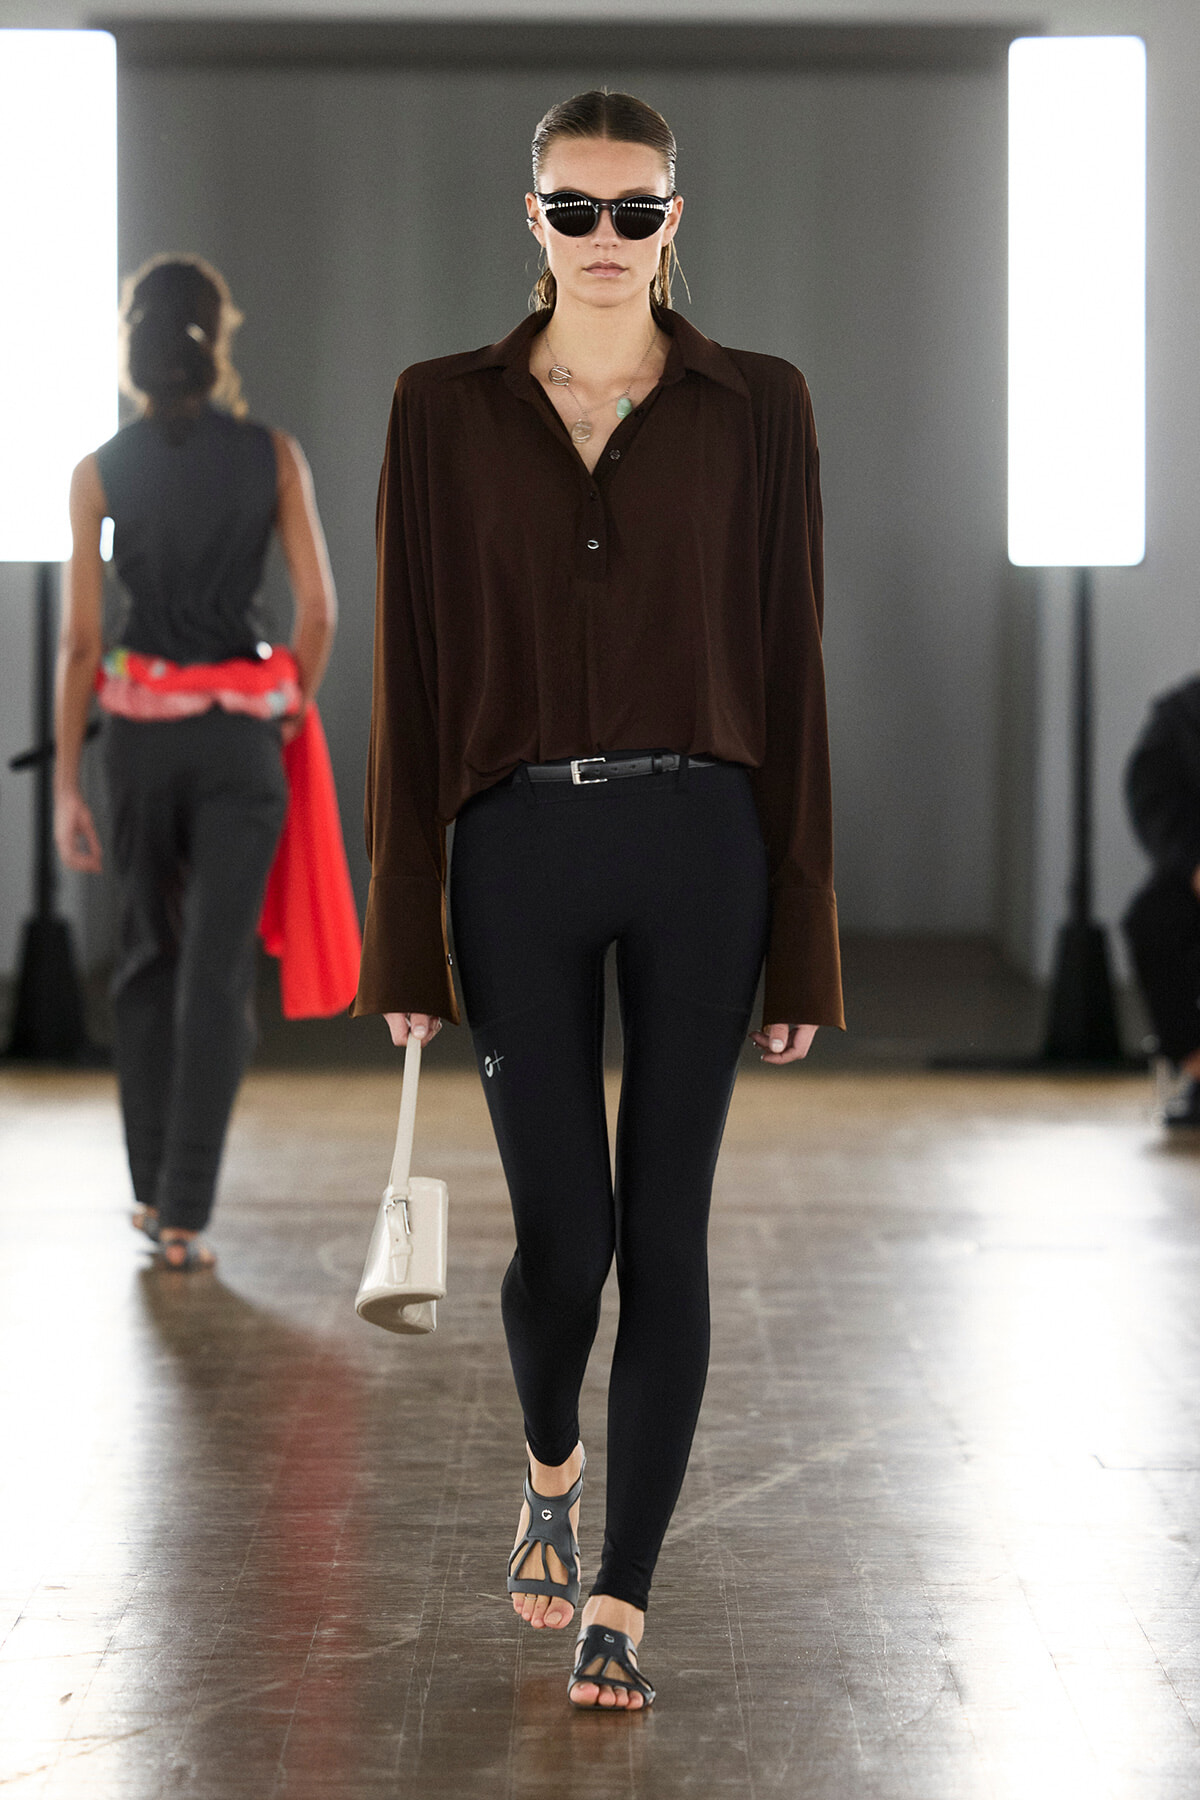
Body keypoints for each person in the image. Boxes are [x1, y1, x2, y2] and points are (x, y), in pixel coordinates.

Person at [353, 91, 843, 1709]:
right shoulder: (441, 411)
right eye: (579, 211)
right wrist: (405, 928)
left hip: (703, 843)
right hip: (515, 849)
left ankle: (620, 1597)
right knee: (563, 1245)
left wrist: (803, 937)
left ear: (677, 219)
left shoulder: (758, 407)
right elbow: (409, 682)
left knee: (668, 1237)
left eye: (639, 212)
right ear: (532, 216)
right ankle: (549, 1462)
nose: (609, 241)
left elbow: (790, 667)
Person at [54, 254, 338, 1268]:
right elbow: (318, 611)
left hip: (137, 744)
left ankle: (147, 1192)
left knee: (143, 962)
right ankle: (183, 1212)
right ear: (218, 342)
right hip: (238, 746)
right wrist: (283, 704)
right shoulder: (273, 455)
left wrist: (60, 789)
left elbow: (84, 643)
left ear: (131, 347)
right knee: (216, 978)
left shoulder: (99, 468)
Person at [1123, 673, 1200, 1125]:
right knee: (1153, 923)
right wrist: (1192, 865)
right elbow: (1153, 794)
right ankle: (1196, 1066)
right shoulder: (1184, 713)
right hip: (1195, 871)